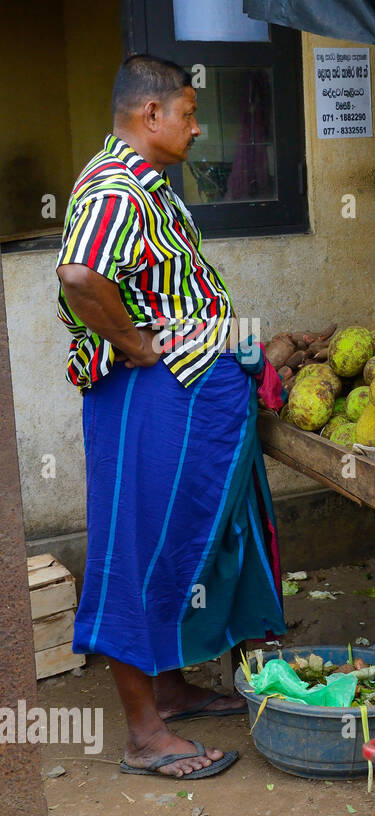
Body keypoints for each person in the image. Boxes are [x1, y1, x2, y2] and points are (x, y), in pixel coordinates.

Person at [55, 55, 287, 779]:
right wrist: (134, 343)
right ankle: (144, 736)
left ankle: (169, 687)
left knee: (187, 542)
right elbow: (78, 274)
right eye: (188, 113)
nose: (197, 126)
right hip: (147, 402)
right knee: (139, 547)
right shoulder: (117, 188)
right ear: (150, 114)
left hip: (185, 396)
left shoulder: (144, 185)